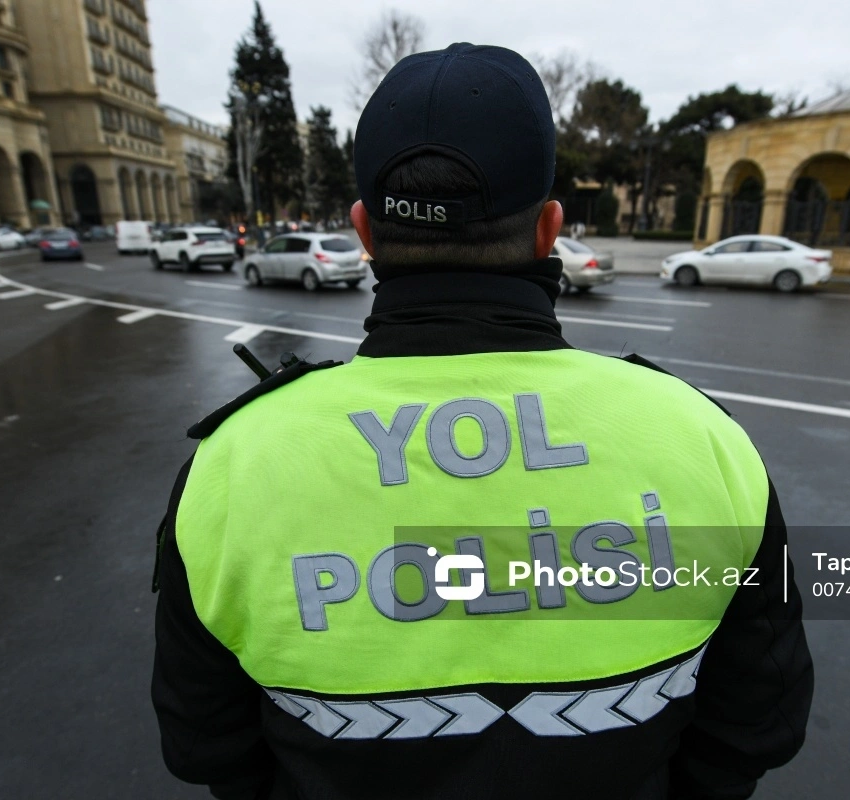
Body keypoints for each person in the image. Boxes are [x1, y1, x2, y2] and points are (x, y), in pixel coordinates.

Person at [152, 42, 812, 800]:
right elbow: (758, 719)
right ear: (550, 228)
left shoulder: (234, 466)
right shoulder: (702, 442)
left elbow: (206, 743)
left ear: (364, 233)